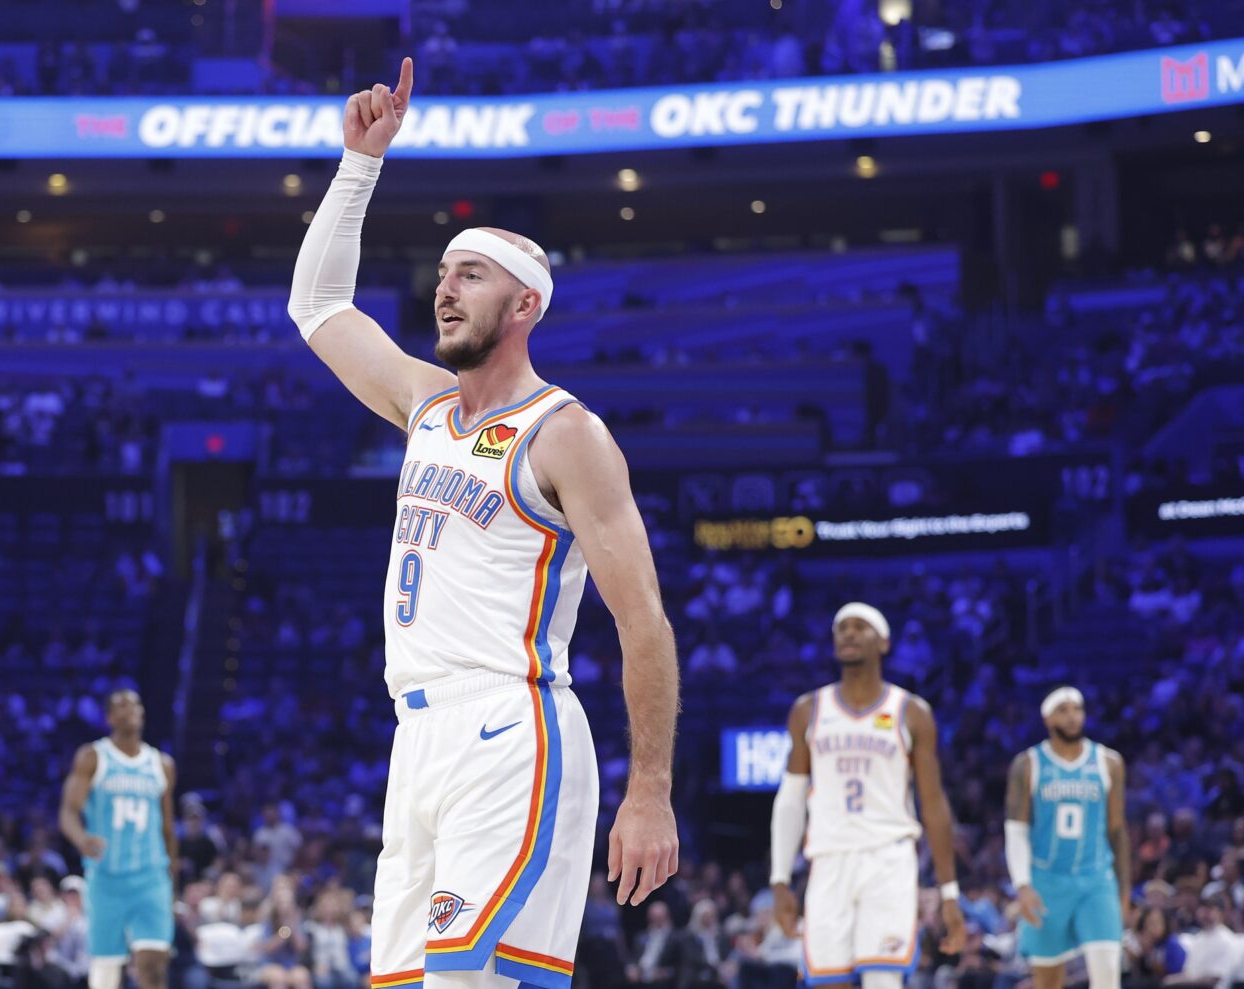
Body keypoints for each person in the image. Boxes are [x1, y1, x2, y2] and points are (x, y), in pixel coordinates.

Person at [287, 55, 680, 989]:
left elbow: (644, 622)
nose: (445, 289)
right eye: (443, 274)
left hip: (515, 727)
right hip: (415, 736)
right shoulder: (424, 404)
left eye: (471, 275)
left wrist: (652, 788)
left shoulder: (567, 434)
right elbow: (317, 305)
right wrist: (359, 166)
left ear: (525, 304)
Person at [769, 603, 966, 988]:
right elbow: (790, 800)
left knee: (883, 980)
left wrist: (949, 891)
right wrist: (779, 880)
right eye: (842, 627)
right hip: (828, 859)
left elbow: (934, 803)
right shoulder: (808, 710)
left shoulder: (911, 712)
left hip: (888, 858)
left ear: (885, 643)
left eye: (861, 627)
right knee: (827, 983)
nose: (849, 633)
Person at [1005, 686, 1128, 989]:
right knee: (1047, 980)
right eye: (1064, 710)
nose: (1073, 717)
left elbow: (1117, 829)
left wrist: (1123, 890)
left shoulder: (1109, 761)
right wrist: (1022, 885)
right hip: (1046, 881)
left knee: (1107, 971)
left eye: (1077, 709)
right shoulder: (1028, 764)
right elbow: (1015, 831)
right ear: (1047, 719)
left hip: (1096, 878)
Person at [60, 689, 178, 989]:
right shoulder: (93, 757)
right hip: (107, 877)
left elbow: (166, 825)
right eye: (123, 706)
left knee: (154, 963)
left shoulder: (161, 764)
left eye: (136, 704)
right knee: (106, 966)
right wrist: (81, 838)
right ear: (110, 717)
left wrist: (172, 873)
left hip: (150, 876)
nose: (132, 710)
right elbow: (68, 812)